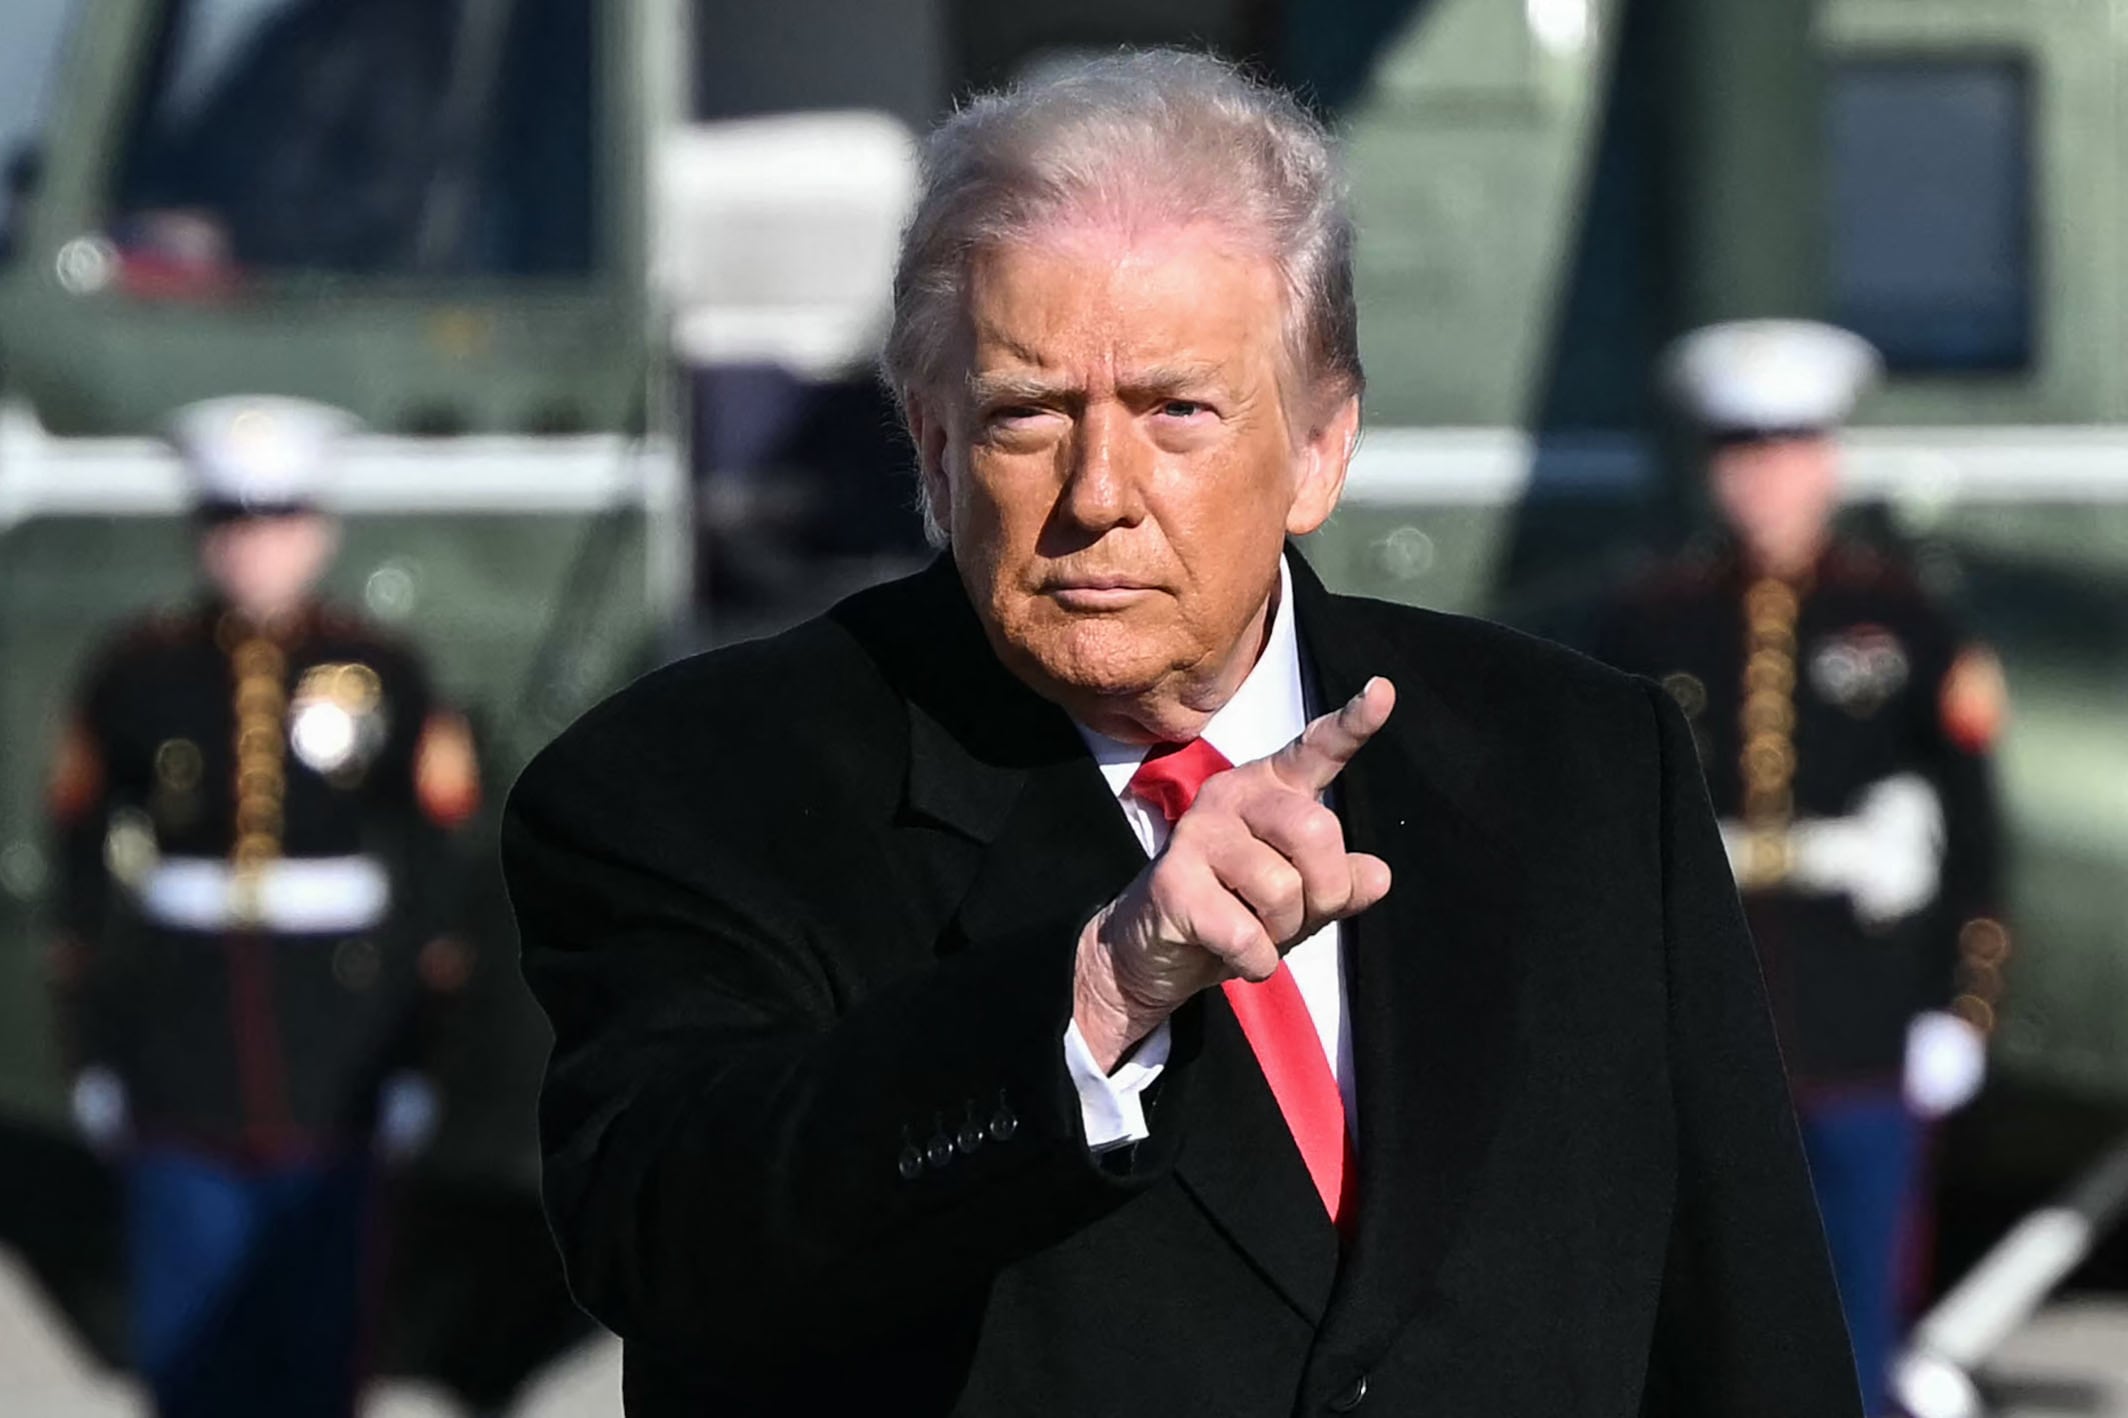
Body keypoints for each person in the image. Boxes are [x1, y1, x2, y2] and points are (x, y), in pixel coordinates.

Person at [505, 52, 1860, 1417]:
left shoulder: (1583, 762)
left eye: (1176, 412)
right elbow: (669, 1241)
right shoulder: (696, 787)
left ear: (1320, 447)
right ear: (930, 445)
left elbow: (1745, 1322)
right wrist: (1096, 998)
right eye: (1029, 415)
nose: (1099, 493)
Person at [1587, 320, 2011, 1415]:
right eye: (1740, 450)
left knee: (1860, 1324)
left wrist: (1960, 1006)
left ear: (1827, 459)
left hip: (1862, 1023)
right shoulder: (1648, 622)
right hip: (1714, 1025)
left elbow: (1970, 830)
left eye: (1788, 448)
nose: (1765, 478)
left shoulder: (1902, 619)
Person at [46, 395, 483, 1418]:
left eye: (277, 518)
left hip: (336, 1045)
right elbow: (77, 869)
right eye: (230, 521)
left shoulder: (382, 670)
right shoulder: (137, 670)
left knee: (319, 1340)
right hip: (179, 1049)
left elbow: (431, 867)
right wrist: (98, 1049)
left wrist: (417, 1055)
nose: (253, 546)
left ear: (318, 529)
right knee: (191, 1344)